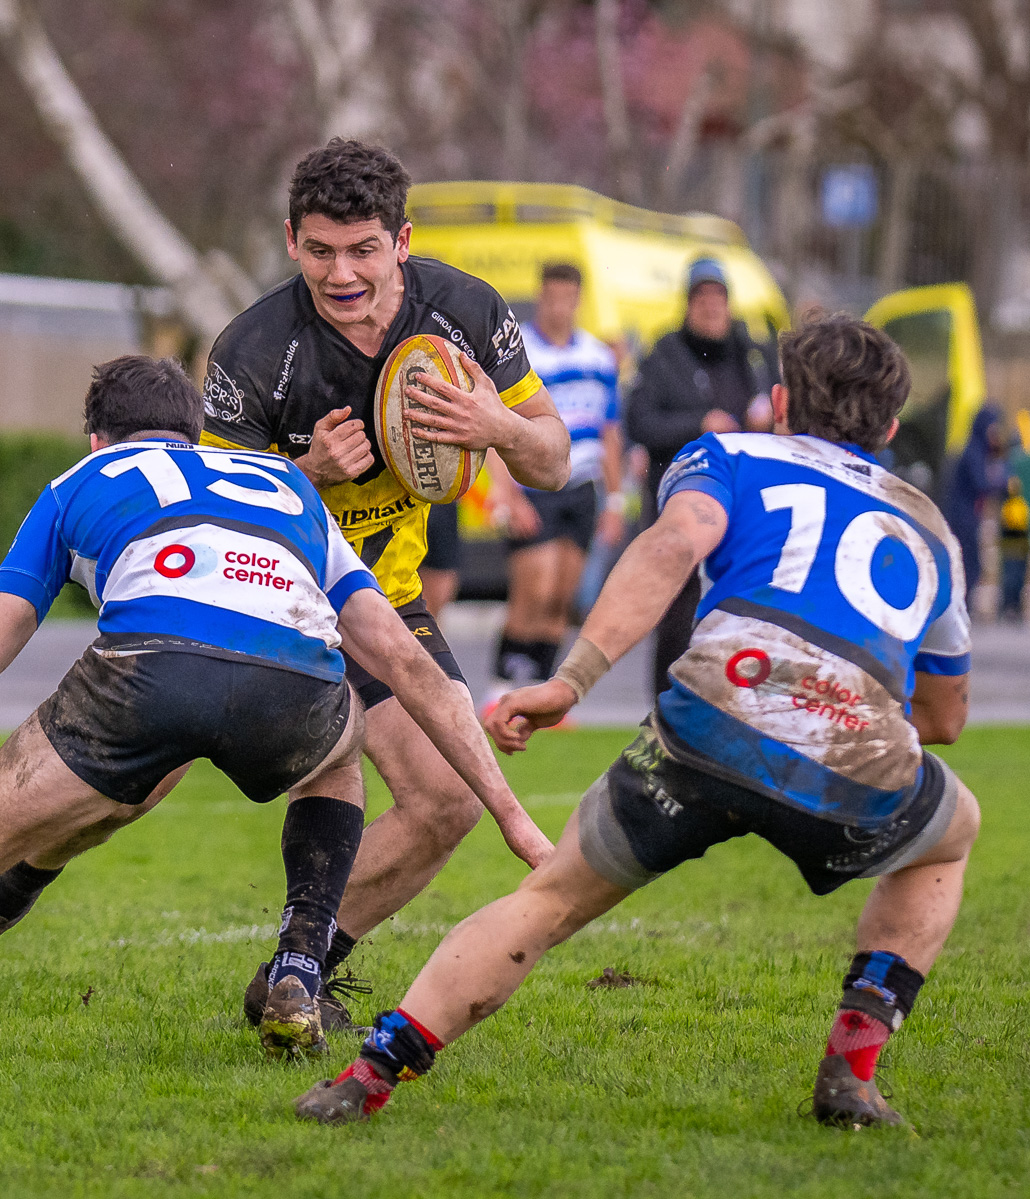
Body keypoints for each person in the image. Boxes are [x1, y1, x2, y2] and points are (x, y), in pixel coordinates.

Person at [0, 356, 547, 1061]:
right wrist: (511, 816)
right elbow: (403, 661)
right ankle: (297, 961)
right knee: (337, 757)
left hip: (148, 673)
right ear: (198, 436)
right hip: (297, 681)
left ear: (97, 437)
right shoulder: (285, 488)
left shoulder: (77, 482)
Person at [293, 316, 981, 1131]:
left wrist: (571, 681)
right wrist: (830, 704)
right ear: (893, 427)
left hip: (706, 723)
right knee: (953, 828)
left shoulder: (729, 457)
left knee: (547, 901)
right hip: (852, 753)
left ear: (782, 401)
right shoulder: (931, 528)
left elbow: (670, 547)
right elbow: (942, 716)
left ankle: (370, 1074)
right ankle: (851, 1074)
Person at [204, 138, 569, 1028]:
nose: (343, 272)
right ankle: (8, 882)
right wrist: (306, 470)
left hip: (388, 596)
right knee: (126, 792)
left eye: (363, 248)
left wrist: (497, 424)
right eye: (322, 250)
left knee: (445, 802)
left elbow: (554, 458)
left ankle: (299, 972)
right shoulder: (252, 350)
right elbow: (212, 519)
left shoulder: (464, 312)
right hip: (275, 596)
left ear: (401, 241)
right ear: (292, 240)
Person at [624, 257, 777, 697]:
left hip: (746, 504)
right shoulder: (665, 355)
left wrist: (767, 410)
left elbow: (788, 408)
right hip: (682, 506)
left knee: (743, 611)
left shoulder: (754, 354)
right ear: (688, 304)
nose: (711, 308)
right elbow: (640, 422)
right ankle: (666, 707)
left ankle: (734, 705)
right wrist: (700, 423)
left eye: (718, 298)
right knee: (678, 611)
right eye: (702, 298)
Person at [484, 263, 624, 708]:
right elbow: (493, 428)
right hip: (533, 486)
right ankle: (501, 685)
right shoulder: (519, 353)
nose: (559, 307)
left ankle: (540, 690)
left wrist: (615, 499)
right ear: (541, 297)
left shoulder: (598, 357)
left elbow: (610, 432)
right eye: (551, 297)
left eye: (567, 298)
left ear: (578, 300)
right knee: (534, 590)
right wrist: (505, 494)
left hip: (582, 485)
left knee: (563, 597)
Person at [942, 405, 1010, 610]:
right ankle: (962, 607)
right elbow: (982, 483)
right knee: (968, 563)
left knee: (971, 563)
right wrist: (1003, 482)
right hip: (963, 517)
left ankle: (964, 606)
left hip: (970, 516)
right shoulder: (973, 452)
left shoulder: (979, 451)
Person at [997, 476, 1030, 622]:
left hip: (1017, 548)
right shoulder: (1011, 505)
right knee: (1011, 579)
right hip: (1013, 548)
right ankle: (1008, 608)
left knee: (1015, 579)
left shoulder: (1019, 505)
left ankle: (1013, 608)